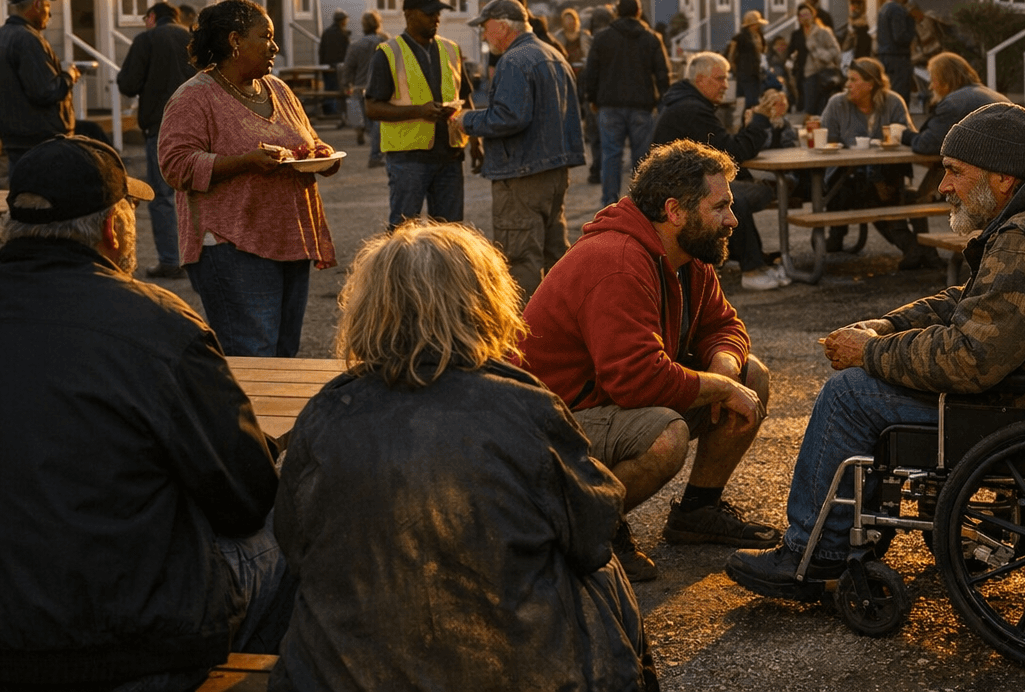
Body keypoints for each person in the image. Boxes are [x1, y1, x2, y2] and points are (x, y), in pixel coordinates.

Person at [0, 135, 290, 690]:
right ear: (114, 230)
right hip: (114, 660)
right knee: (289, 525)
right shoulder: (161, 325)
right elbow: (245, 501)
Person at [725, 103, 1025, 597]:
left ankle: (819, 556)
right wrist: (890, 324)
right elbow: (976, 300)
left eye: (954, 172)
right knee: (875, 373)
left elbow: (969, 360)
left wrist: (871, 353)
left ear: (1003, 179)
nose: (942, 186)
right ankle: (851, 533)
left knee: (849, 394)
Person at [270, 221, 655, 691]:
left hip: (348, 672)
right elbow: (593, 534)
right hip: (514, 667)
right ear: (485, 303)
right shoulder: (523, 404)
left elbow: (294, 544)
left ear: (369, 309)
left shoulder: (325, 411)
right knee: (607, 571)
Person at [521, 140, 781, 582]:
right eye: (720, 207)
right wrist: (719, 387)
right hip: (551, 422)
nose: (732, 219)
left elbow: (725, 325)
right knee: (666, 435)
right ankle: (588, 528)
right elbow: (636, 381)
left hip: (607, 400)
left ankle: (697, 512)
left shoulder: (688, 255)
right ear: (675, 210)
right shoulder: (618, 262)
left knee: (751, 375)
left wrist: (724, 366)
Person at [159, 0, 339, 358]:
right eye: (266, 36)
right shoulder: (194, 98)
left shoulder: (279, 90)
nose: (275, 46)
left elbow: (310, 142)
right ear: (235, 41)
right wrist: (244, 162)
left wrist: (322, 156)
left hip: (290, 239)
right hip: (231, 246)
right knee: (253, 354)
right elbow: (175, 165)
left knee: (285, 354)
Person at [454, 0, 586, 297]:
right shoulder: (553, 54)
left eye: (486, 28)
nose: (484, 36)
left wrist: (466, 121)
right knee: (556, 256)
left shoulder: (513, 61)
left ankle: (523, 336)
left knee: (520, 259)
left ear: (502, 25)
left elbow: (509, 116)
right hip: (554, 171)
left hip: (522, 174)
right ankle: (563, 330)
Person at [652, 51, 791, 291]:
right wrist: (758, 122)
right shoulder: (692, 109)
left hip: (678, 184)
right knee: (735, 198)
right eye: (720, 79)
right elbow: (731, 154)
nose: (726, 85)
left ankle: (754, 259)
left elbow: (723, 149)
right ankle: (752, 269)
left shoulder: (688, 104)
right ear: (700, 80)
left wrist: (751, 126)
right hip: (676, 191)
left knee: (748, 192)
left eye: (726, 79)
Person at [364, 0, 477, 228]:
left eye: (438, 12)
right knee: (404, 232)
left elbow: (466, 98)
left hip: (449, 154)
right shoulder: (388, 53)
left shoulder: (451, 49)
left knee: (451, 233)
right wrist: (419, 111)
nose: (436, 18)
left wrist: (476, 143)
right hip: (408, 158)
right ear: (409, 14)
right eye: (429, 13)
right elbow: (372, 108)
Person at [818, 57, 939, 270]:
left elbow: (907, 136)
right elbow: (826, 142)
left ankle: (915, 249)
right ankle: (917, 249)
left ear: (870, 84)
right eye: (848, 79)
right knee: (872, 193)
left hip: (887, 173)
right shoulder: (837, 104)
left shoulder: (892, 102)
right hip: (845, 178)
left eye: (853, 80)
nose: (847, 85)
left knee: (882, 191)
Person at [117, 0, 196, 279]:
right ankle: (199, 257)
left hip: (160, 126)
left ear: (152, 17)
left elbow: (127, 84)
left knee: (162, 196)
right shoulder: (191, 38)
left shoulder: (146, 39)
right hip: (197, 125)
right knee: (196, 191)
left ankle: (171, 259)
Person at [0, 0, 81, 169]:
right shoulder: (28, 40)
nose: (49, 16)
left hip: (13, 142)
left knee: (22, 193)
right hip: (43, 144)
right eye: (48, 7)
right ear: (37, 5)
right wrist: (68, 75)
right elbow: (46, 91)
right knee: (48, 194)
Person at [583, 0, 671, 207]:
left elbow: (591, 72)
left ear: (617, 12)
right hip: (642, 106)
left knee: (611, 156)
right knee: (641, 159)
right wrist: (664, 104)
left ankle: (609, 202)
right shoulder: (651, 38)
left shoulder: (602, 38)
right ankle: (640, 204)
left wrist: (591, 98)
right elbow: (662, 74)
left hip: (609, 105)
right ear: (639, 12)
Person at [908, 51, 1009, 155]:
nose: (931, 87)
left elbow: (926, 145)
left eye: (933, 80)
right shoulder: (996, 96)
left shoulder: (952, 104)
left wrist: (904, 136)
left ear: (945, 80)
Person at [560, 6, 602, 184]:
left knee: (592, 125)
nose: (570, 22)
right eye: (567, 19)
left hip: (585, 82)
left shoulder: (586, 36)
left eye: (573, 19)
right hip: (566, 83)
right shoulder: (558, 38)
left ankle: (595, 165)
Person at [341, 10, 388, 164]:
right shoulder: (385, 42)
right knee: (378, 121)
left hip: (360, 87)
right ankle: (376, 154)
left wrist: (346, 84)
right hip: (381, 86)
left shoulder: (355, 45)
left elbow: (348, 68)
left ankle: (376, 151)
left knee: (370, 122)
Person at [794, 4, 842, 114]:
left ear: (813, 15)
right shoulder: (797, 34)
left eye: (807, 14)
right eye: (801, 15)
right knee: (809, 109)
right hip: (805, 74)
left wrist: (818, 52)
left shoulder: (823, 31)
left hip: (823, 72)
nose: (805, 18)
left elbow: (835, 50)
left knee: (823, 108)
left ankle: (823, 130)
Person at [876, 0, 915, 99]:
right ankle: (898, 116)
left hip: (884, 55)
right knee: (900, 92)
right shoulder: (897, 10)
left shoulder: (884, 8)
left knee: (888, 90)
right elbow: (899, 36)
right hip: (898, 57)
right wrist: (911, 36)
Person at [729, 10, 769, 109]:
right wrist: (735, 69)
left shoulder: (759, 36)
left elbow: (763, 50)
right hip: (745, 72)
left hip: (757, 71)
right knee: (749, 100)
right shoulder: (739, 38)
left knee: (756, 97)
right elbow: (731, 55)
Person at [318, 9, 351, 115]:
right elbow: (347, 51)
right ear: (342, 21)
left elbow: (321, 50)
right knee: (338, 89)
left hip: (326, 66)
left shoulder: (326, 32)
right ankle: (336, 113)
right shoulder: (343, 34)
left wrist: (322, 64)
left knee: (328, 88)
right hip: (339, 67)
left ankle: (328, 111)